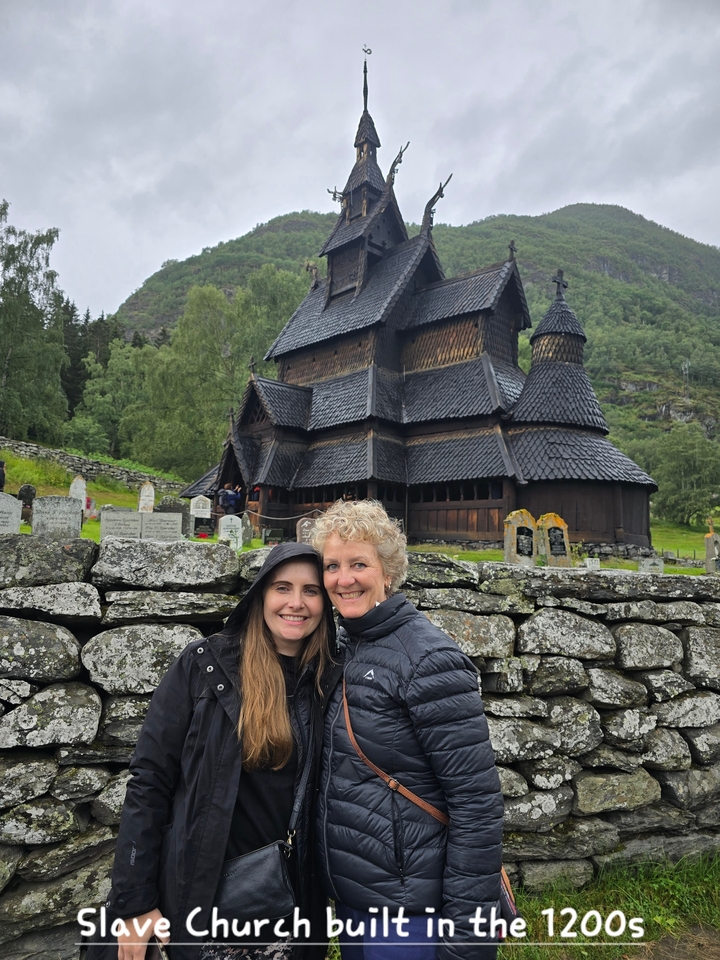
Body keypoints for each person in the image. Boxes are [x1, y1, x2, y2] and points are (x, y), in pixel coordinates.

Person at [87, 543, 336, 960]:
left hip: (290, 905)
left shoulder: (331, 679)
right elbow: (150, 782)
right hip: (197, 894)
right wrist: (133, 902)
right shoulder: (205, 666)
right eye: (282, 588)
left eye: (311, 591)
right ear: (260, 596)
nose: (296, 603)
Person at [312, 500, 504, 960]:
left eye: (359, 563)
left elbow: (475, 804)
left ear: (388, 571)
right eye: (332, 566)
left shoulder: (428, 660)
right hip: (355, 898)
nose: (344, 579)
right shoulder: (340, 646)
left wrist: (466, 939)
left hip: (410, 911)